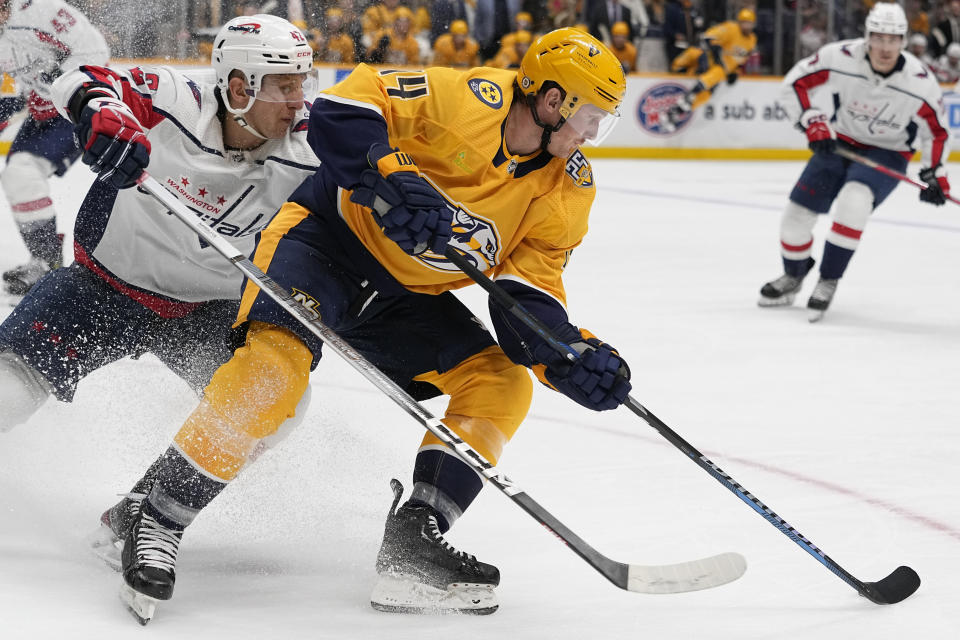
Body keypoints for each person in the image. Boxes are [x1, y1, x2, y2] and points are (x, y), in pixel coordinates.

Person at [114, 26, 631, 622]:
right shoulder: (468, 101)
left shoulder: (568, 187)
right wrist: (392, 178)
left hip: (403, 296)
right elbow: (344, 107)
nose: (592, 133)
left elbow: (524, 295)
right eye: (588, 115)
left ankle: (415, 541)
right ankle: (156, 515)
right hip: (321, 244)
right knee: (273, 372)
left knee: (503, 383)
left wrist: (567, 353)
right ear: (548, 99)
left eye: (602, 120)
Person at [0, 12, 321, 558]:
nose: (299, 101)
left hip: (208, 311)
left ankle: (144, 506)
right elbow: (83, 80)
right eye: (284, 86)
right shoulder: (178, 97)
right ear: (239, 86)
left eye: (303, 82)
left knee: (281, 406)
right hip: (103, 291)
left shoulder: (313, 147)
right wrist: (104, 114)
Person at [757, 3, 950, 321]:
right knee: (795, 218)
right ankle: (793, 275)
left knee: (854, 201)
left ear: (903, 40)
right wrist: (811, 119)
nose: (885, 47)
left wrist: (934, 173)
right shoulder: (840, 56)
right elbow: (795, 83)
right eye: (879, 38)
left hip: (887, 152)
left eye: (893, 39)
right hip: (839, 144)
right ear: (867, 37)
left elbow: (938, 132)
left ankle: (828, 279)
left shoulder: (919, 80)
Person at [0, 0, 108, 297]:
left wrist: (63, 86)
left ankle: (48, 262)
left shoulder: (43, 11)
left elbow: (95, 51)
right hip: (41, 112)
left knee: (23, 172)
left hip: (76, 106)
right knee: (17, 178)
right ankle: (43, 259)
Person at [662, 7, 756, 132]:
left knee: (706, 96)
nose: (746, 25)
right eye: (743, 22)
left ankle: (676, 112)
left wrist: (735, 72)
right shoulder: (731, 28)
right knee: (718, 72)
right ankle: (689, 95)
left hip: (724, 69)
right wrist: (715, 48)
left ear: (753, 24)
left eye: (748, 23)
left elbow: (741, 60)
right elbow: (708, 36)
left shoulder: (752, 40)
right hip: (710, 60)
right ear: (739, 22)